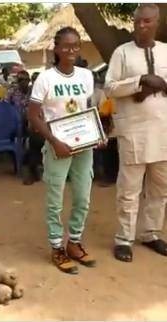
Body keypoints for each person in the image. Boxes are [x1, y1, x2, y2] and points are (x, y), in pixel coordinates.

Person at [27, 27, 97, 274]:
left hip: (83, 146)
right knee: (55, 200)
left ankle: (74, 242)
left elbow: (89, 111)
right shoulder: (46, 78)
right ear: (56, 49)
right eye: (66, 46)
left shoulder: (86, 76)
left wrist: (98, 135)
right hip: (57, 146)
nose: (71, 51)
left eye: (75, 46)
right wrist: (54, 141)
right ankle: (57, 247)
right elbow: (33, 115)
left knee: (82, 197)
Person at [104, 4, 167, 262]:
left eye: (147, 21)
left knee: (160, 188)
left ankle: (151, 233)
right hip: (133, 132)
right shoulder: (122, 53)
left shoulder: (166, 51)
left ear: (157, 22)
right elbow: (109, 88)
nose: (141, 26)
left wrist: (161, 84)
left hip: (164, 132)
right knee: (128, 189)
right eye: (138, 21)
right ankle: (124, 239)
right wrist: (140, 82)